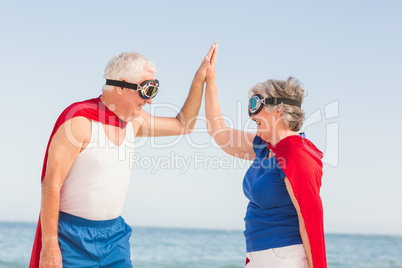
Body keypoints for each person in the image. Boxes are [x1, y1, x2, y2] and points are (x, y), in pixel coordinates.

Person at [29, 42, 218, 268]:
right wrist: (49, 246)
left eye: (154, 90)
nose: (150, 100)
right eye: (147, 90)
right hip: (71, 239)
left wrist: (200, 79)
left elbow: (183, 125)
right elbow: (51, 183)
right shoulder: (79, 121)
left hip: (115, 238)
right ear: (121, 87)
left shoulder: (134, 122)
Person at [204, 44, 326, 267]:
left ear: (279, 110)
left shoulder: (297, 154)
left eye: (256, 104)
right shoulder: (266, 147)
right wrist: (209, 81)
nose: (251, 115)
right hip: (259, 255)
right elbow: (218, 133)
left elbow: (310, 220)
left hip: (284, 257)